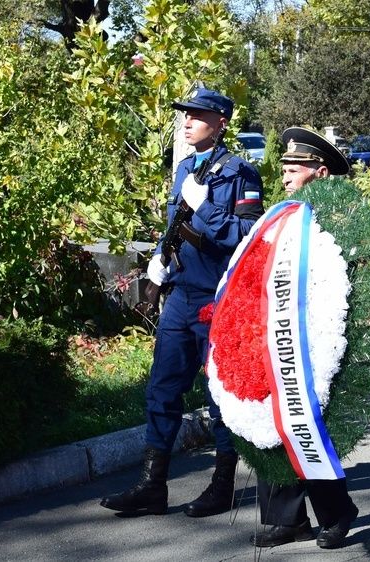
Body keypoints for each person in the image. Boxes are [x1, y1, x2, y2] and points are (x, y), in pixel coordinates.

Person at [100, 88, 264, 517]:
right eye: (186, 114)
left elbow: (247, 237)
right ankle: (152, 485)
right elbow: (175, 225)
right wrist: (159, 258)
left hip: (218, 299)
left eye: (198, 115)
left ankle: (222, 486)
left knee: (219, 395)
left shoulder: (240, 173)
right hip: (182, 295)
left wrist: (205, 207)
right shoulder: (186, 169)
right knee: (162, 389)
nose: (187, 121)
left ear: (221, 122)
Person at [250, 127, 360, 550]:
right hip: (278, 333)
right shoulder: (281, 216)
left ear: (321, 172)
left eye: (295, 170)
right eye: (285, 169)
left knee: (308, 428)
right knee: (271, 425)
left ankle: (336, 511)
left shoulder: (341, 220)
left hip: (319, 339)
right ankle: (286, 519)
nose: (286, 178)